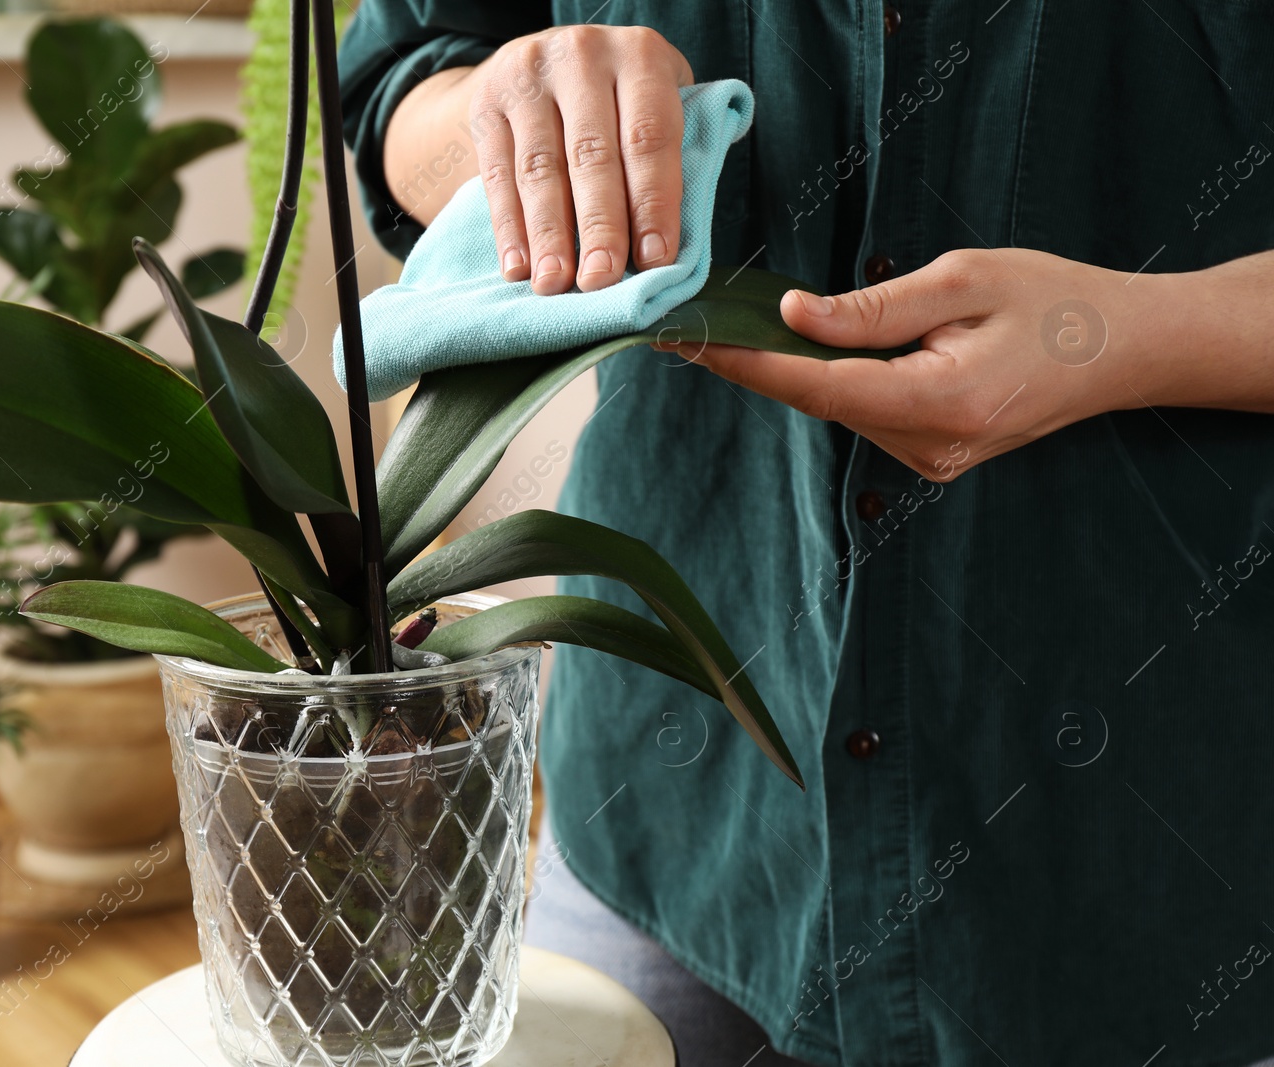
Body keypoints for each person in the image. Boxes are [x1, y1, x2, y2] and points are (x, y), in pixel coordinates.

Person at [338, 5, 1274, 1065]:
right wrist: (517, 117)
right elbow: (393, 89)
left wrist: (1127, 334)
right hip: (667, 816)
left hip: (1171, 864)